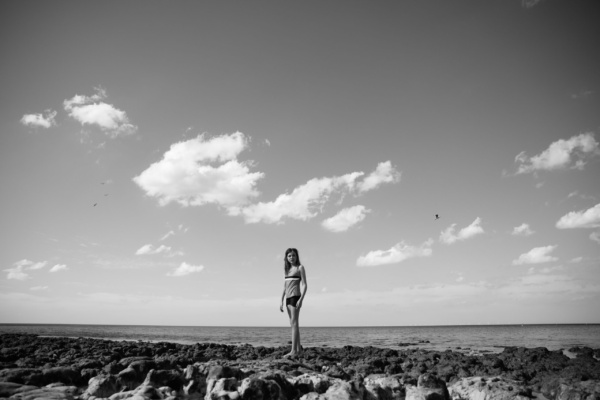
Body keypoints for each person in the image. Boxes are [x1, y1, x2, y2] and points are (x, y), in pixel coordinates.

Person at [279, 248, 307, 358]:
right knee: (293, 324)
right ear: (286, 257)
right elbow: (284, 287)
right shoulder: (287, 270)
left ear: (297, 256)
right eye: (289, 256)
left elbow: (305, 285)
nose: (291, 257)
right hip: (288, 299)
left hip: (296, 297)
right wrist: (281, 300)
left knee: (294, 323)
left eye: (293, 255)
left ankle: (293, 351)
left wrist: (301, 299)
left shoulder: (300, 268)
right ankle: (298, 350)